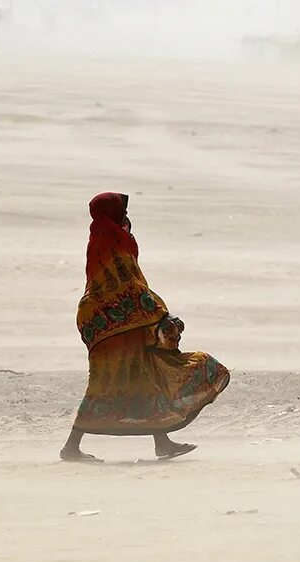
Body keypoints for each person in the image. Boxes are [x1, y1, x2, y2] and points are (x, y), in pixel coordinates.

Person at [60, 192, 230, 462]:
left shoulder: (104, 236)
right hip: (114, 319)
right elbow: (127, 284)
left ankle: (161, 444)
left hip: (108, 317)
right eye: (123, 211)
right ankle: (71, 448)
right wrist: (161, 313)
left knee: (143, 378)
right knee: (106, 383)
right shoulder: (111, 239)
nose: (127, 216)